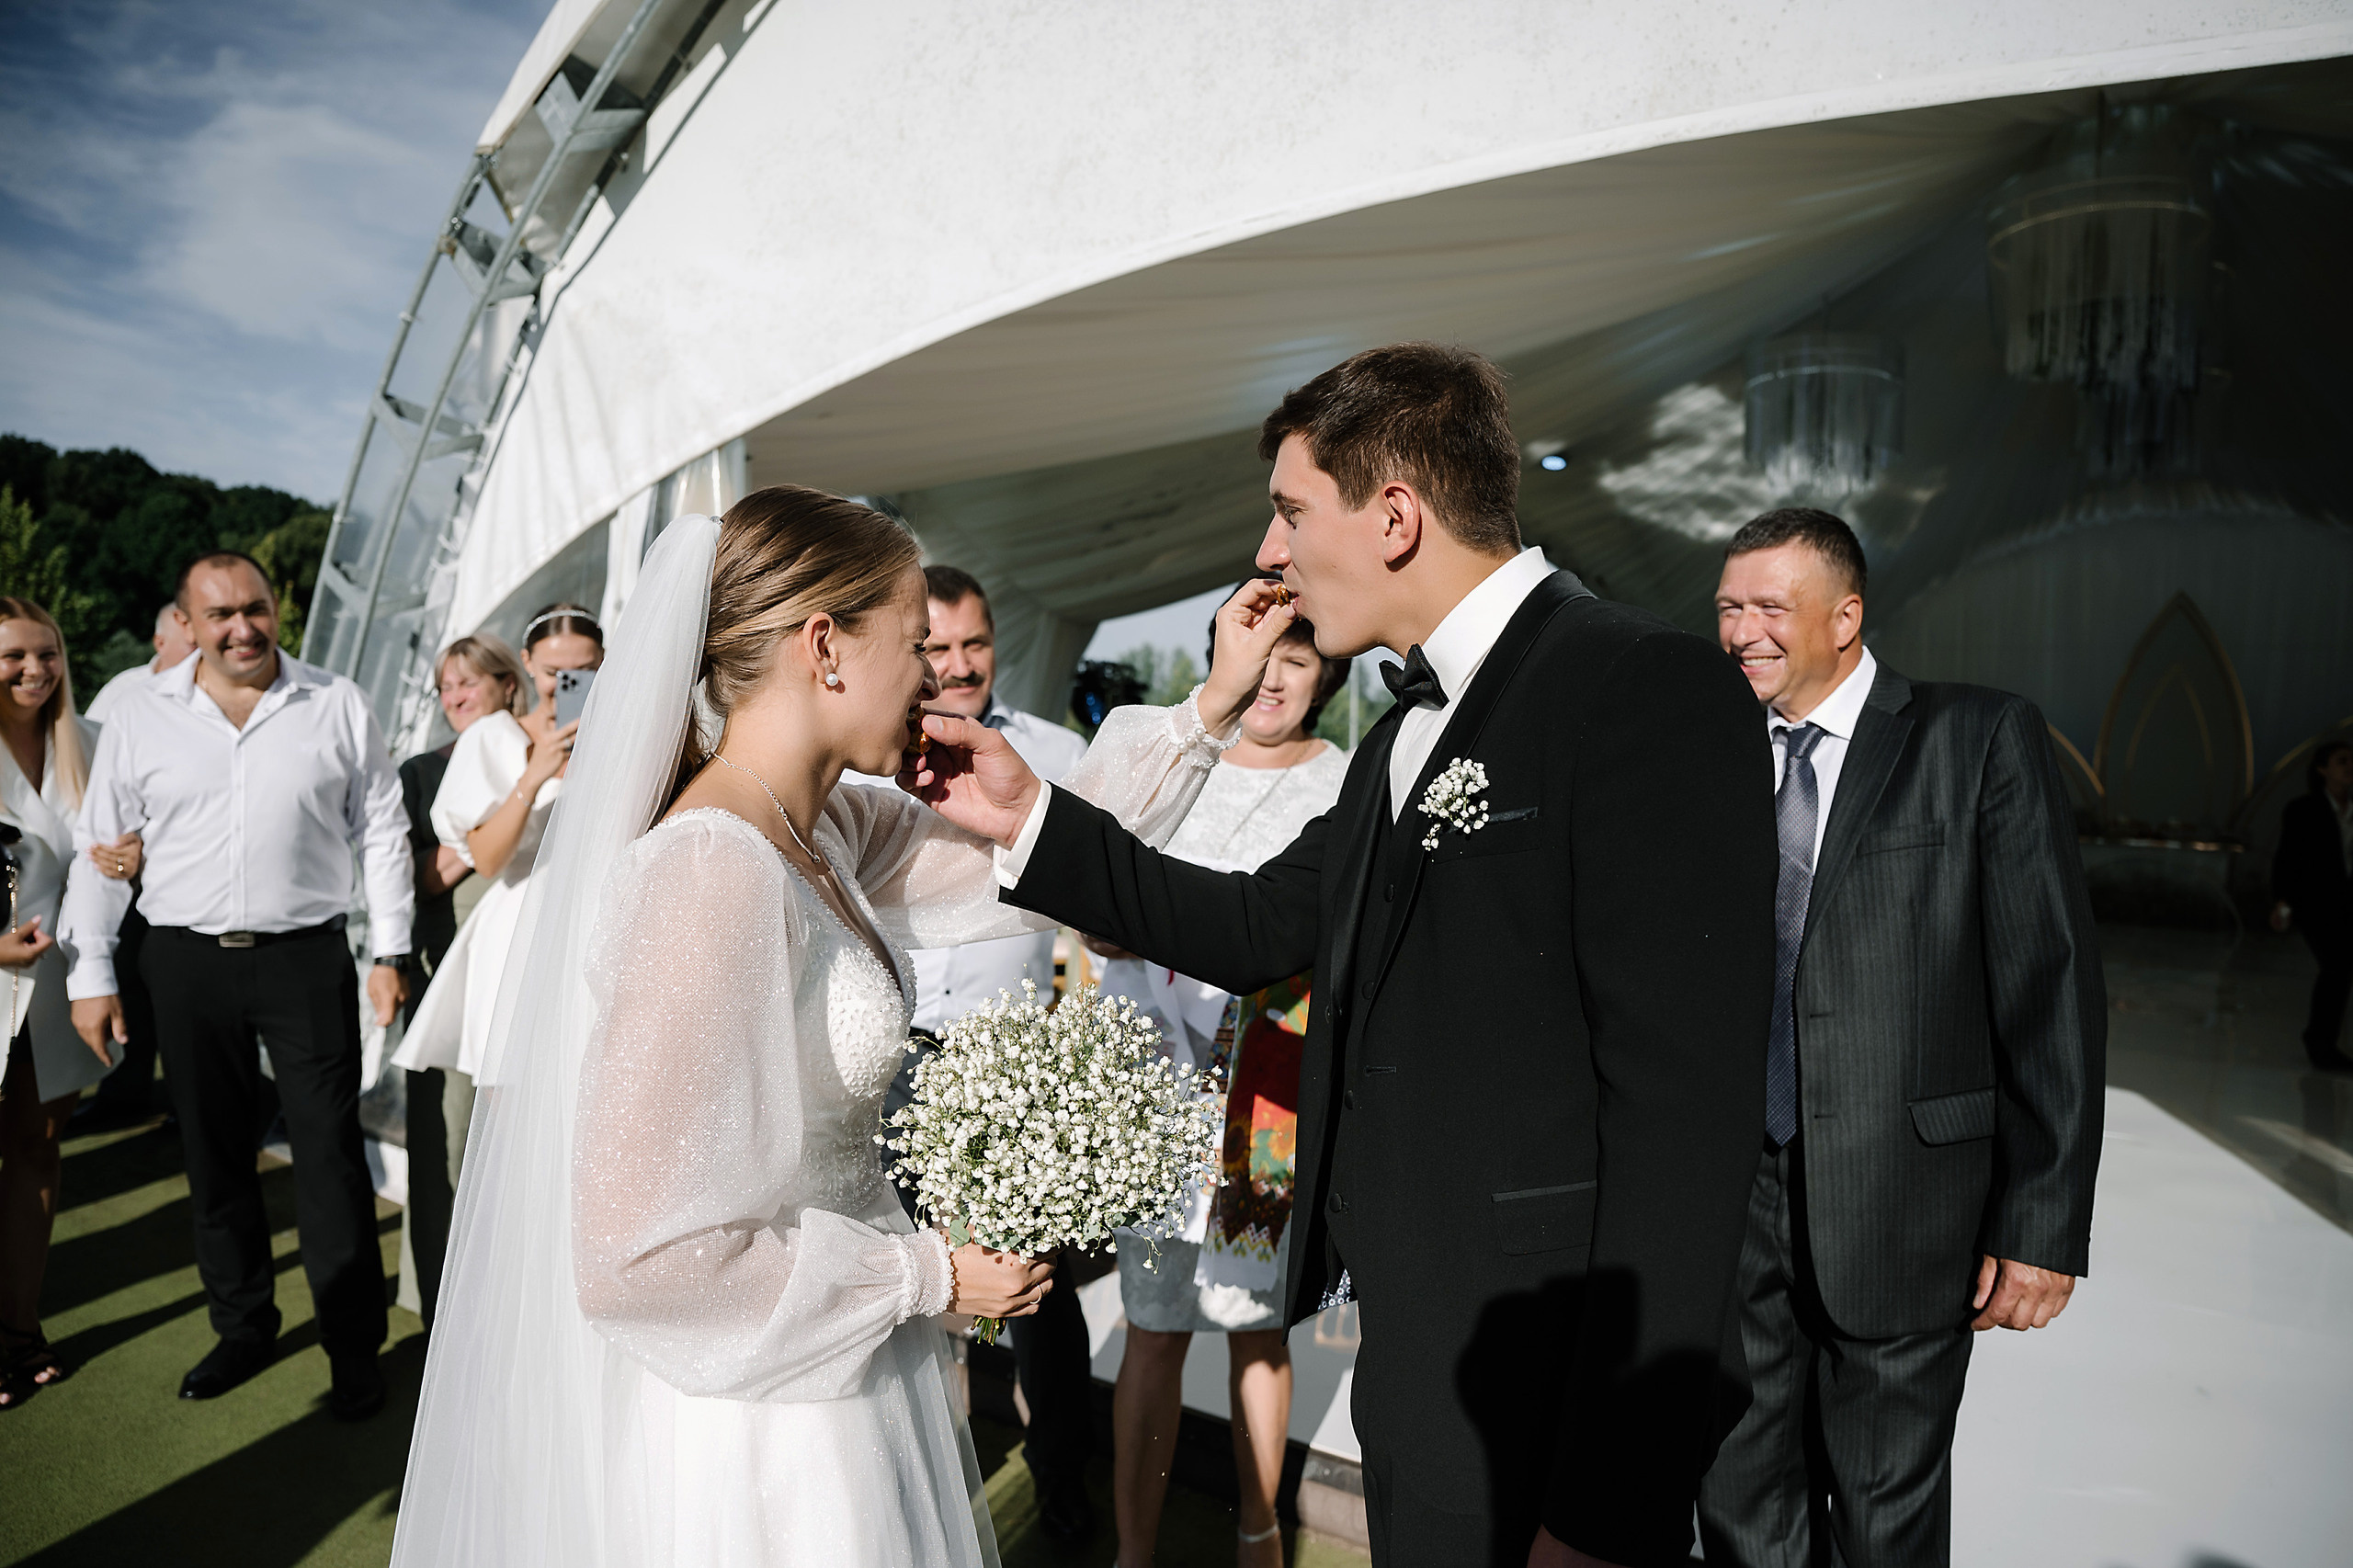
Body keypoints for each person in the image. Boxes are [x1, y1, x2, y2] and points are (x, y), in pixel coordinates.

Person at [920, 343, 1781, 1567]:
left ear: (1393, 516)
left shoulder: (1644, 687)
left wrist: (1598, 1504)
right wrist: (1028, 821)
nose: (1271, 553)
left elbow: (1684, 1131)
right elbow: (1259, 923)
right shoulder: (1394, 739)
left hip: (1554, 1402)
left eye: (1288, 511)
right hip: (1421, 1357)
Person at [390, 488, 1295, 1568]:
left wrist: (1207, 708)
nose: (936, 675)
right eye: (914, 641)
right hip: (754, 1428)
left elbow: (1035, 858)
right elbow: (640, 1256)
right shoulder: (708, 869)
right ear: (823, 646)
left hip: (843, 1364)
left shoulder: (821, 824)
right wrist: (928, 1275)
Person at [1699, 507, 2104, 1567]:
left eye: (1769, 607)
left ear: (1847, 614)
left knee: (1883, 1521)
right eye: (1729, 607)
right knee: (1740, 1500)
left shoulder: (1974, 738)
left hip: (1906, 1203)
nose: (1743, 630)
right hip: (1729, 1201)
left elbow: (2046, 983)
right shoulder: (1702, 756)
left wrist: (2043, 1219)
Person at [62, 551, 414, 1420]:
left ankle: (351, 1345)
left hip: (307, 959)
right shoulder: (140, 714)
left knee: (330, 1156)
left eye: (255, 608)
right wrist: (94, 972)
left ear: (276, 608)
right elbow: (102, 847)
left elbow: (382, 829)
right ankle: (244, 1326)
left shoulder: (335, 701)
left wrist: (390, 951)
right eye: (220, 615)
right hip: (183, 961)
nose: (242, 628)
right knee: (213, 1153)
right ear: (188, 622)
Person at [1090, 611, 1350, 1568]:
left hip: (1270, 1103)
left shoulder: (1347, 778)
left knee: (1254, 1328)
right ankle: (1133, 1548)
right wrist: (1102, 927)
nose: (1275, 678)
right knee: (1153, 1329)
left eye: (1299, 659)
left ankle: (1258, 1525)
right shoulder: (1167, 753)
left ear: (1324, 673)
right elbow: (1100, 894)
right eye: (1261, 655)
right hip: (1158, 1098)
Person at [858, 563, 1095, 1540]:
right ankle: (932, 1506)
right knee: (917, 1292)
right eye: (937, 646)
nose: (957, 666)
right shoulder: (865, 759)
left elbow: (1101, 898)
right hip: (887, 1066)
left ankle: (1066, 1492)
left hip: (1013, 1070)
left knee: (1038, 1298)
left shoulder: (1056, 752)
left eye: (975, 644)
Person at [392, 608, 601, 1089]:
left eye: (584, 669)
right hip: (520, 931)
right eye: (552, 672)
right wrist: (534, 775)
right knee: (520, 1090)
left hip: (601, 923)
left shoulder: (627, 733)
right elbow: (486, 859)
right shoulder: (493, 738)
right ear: (526, 664)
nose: (565, 683)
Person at [394, 633, 528, 1327]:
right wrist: (486, 837)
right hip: (451, 958)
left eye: (468, 682)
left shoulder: (546, 748)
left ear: (509, 684)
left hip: (530, 958)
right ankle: (435, 1305)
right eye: (446, 687)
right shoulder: (422, 771)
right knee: (444, 1138)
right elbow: (410, 877)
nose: (455, 698)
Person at [0, 597, 112, 1408]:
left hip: (56, 986)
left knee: (38, 1155)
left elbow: (113, 859)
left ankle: (18, 1327)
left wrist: (130, 851)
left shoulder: (95, 746)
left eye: (47, 654)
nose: (35, 670)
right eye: (14, 657)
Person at [70, 601, 186, 1131]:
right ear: (161, 641)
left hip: (175, 872)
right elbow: (90, 766)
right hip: (115, 867)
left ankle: (186, 1104)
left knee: (175, 991)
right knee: (127, 980)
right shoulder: (125, 692)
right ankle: (124, 1089)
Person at [2271, 738, 2353, 1074]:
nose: (2350, 767)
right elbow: (2289, 859)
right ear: (2322, 770)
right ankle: (2320, 1043)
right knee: (2336, 967)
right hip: (2317, 905)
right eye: (2342, 761)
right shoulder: (2303, 809)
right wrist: (2282, 903)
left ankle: (2323, 1041)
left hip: (2348, 905)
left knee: (2339, 970)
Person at [84, 601, 195, 723]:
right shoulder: (123, 688)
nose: (201, 653)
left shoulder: (213, 693)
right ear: (160, 643)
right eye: (193, 644)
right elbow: (94, 736)